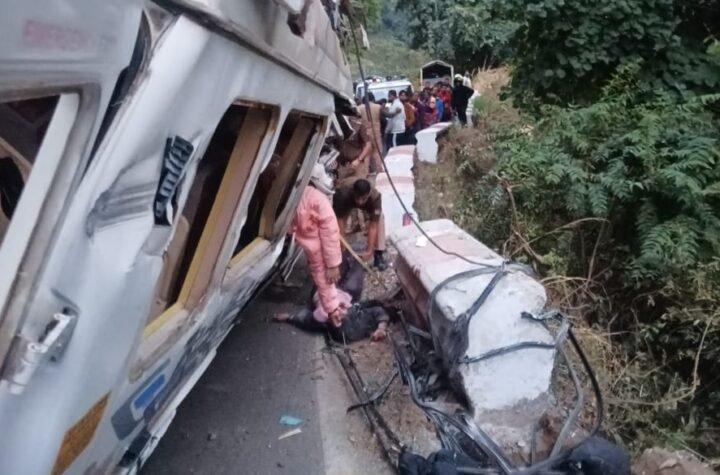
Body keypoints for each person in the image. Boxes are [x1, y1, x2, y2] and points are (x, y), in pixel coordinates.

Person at [291, 164, 345, 326]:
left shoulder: (305, 199)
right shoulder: (316, 201)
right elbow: (329, 236)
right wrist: (333, 265)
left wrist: (332, 307)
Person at [333, 177, 387, 270]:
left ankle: (378, 254)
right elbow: (340, 220)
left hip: (368, 205)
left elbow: (373, 226)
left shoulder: (375, 197)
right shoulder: (343, 194)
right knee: (334, 222)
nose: (360, 202)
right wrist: (343, 246)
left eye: (363, 199)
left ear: (368, 194)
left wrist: (369, 250)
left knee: (380, 217)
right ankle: (338, 251)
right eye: (358, 198)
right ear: (353, 193)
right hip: (346, 201)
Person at [336, 112, 373, 180]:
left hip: (356, 162)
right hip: (342, 164)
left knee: (357, 183)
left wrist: (359, 160)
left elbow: (368, 145)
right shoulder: (336, 122)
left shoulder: (358, 124)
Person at [358, 92, 383, 174]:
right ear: (373, 98)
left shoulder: (359, 108)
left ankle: (366, 171)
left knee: (366, 152)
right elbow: (385, 117)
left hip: (365, 132)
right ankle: (379, 169)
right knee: (377, 151)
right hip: (376, 132)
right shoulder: (378, 107)